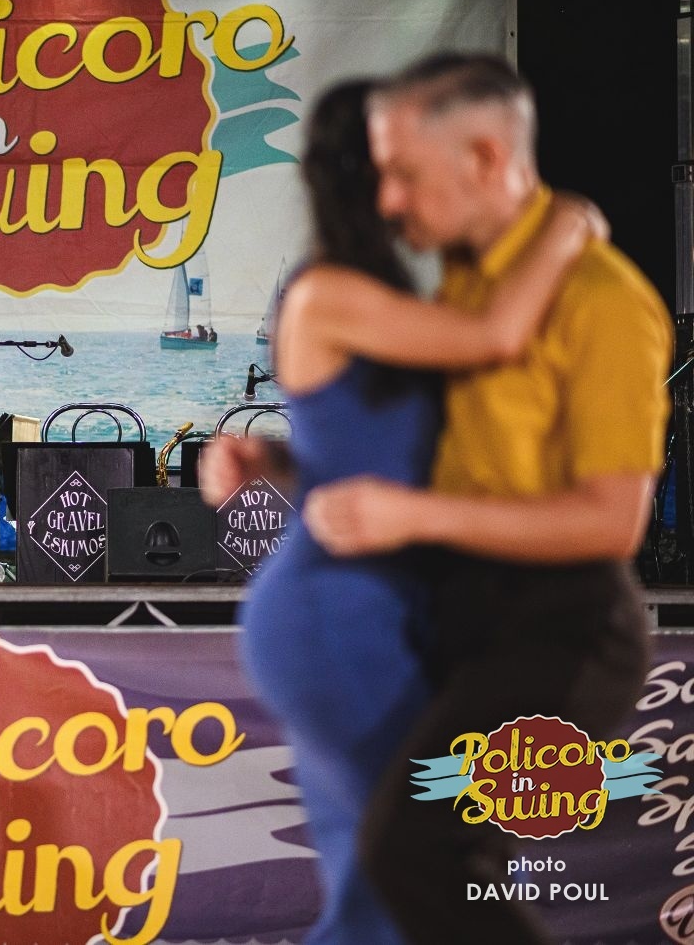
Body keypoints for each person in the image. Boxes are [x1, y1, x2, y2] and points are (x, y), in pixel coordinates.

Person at [199, 78, 606, 945]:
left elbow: (355, 454)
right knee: (401, 873)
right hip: (335, 611)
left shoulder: (381, 294)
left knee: (378, 878)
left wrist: (268, 460)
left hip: (382, 606)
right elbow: (496, 336)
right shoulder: (326, 293)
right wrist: (569, 225)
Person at [297, 54, 672, 944]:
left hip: (563, 626)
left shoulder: (601, 299)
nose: (388, 201)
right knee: (427, 872)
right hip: (467, 614)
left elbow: (611, 521)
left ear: (485, 158)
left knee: (413, 853)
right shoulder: (471, 283)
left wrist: (413, 516)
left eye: (404, 173)